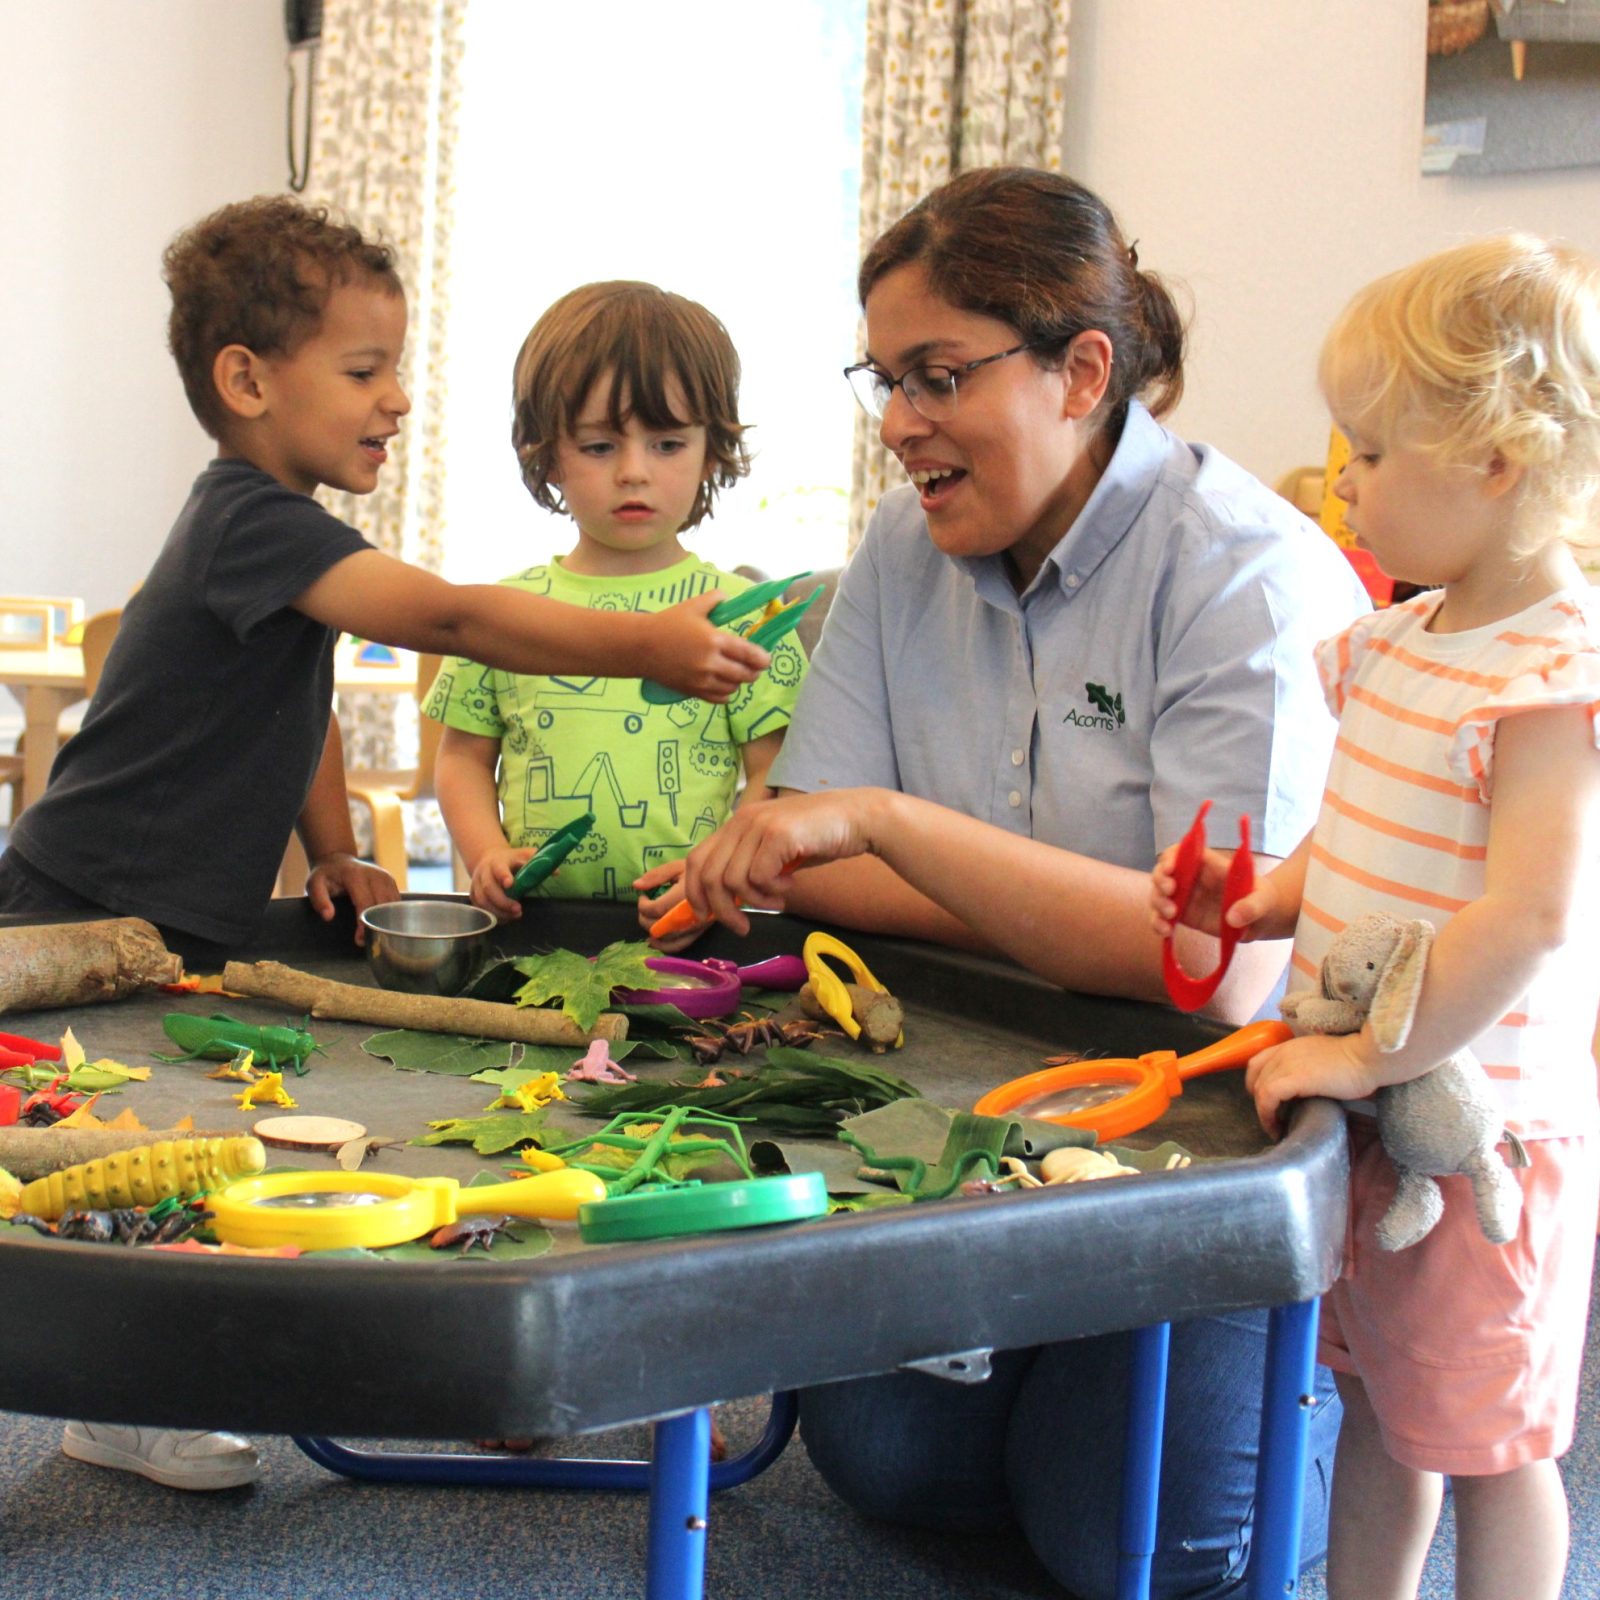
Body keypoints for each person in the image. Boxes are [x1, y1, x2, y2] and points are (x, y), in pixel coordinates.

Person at [0, 196, 766, 1491]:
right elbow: (456, 619)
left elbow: (294, 711)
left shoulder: (288, 542)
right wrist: (647, 642)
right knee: (88, 1163)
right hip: (77, 904)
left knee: (158, 1150)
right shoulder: (251, 516)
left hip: (173, 918)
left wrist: (340, 846)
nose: (397, 399)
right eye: (364, 371)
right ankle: (113, 1394)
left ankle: (119, 1400)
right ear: (248, 382)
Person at [682, 166, 1372, 1598]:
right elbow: (811, 858)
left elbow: (1216, 970)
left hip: (1205, 1123)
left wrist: (892, 826)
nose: (899, 427)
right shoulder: (900, 547)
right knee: (898, 1468)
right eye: (885, 380)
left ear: (1083, 370)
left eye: (937, 377)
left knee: (1142, 1540)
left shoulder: (1250, 579)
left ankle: (1328, 1408)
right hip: (978, 1093)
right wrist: (1081, 922)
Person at [1153, 234, 1600, 1600]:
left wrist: (1365, 1058)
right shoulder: (1398, 639)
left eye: (1370, 451)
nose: (1342, 477)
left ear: (1496, 466)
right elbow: (1356, 847)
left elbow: (1524, 920)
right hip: (1376, 1107)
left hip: (1480, 1146)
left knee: (1491, 1442)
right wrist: (1259, 897)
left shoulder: (1548, 677)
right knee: (1384, 1408)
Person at [427, 281, 805, 941]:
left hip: (691, 929)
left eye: (667, 444)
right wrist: (485, 853)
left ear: (711, 450)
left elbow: (774, 771)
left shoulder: (746, 615)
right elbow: (461, 758)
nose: (634, 471)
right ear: (546, 456)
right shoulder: (505, 614)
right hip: (529, 936)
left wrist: (717, 873)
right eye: (600, 446)